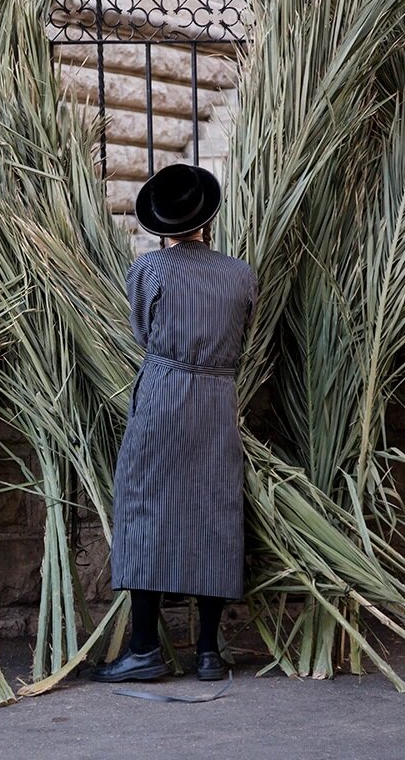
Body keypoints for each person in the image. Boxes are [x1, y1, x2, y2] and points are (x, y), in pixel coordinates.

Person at [91, 163, 257, 684]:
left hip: (164, 393)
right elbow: (245, 334)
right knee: (214, 509)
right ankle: (207, 651)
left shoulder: (149, 270)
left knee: (145, 507)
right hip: (216, 396)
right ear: (209, 218)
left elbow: (143, 330)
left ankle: (144, 650)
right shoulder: (242, 273)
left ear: (161, 225)